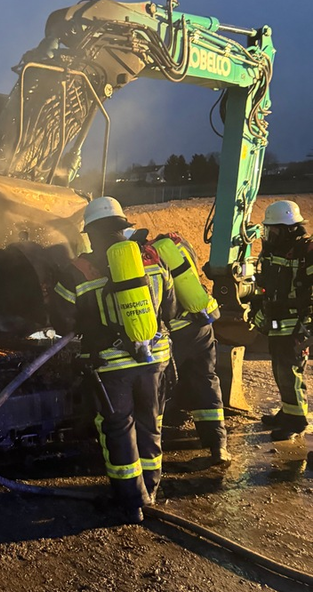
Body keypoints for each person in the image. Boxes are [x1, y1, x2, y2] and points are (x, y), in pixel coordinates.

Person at [51, 196, 176, 524]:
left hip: (112, 365)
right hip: (155, 357)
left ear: (91, 233)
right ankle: (152, 489)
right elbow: (172, 310)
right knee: (151, 423)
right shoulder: (152, 258)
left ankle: (130, 502)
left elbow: (62, 321)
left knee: (118, 429)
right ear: (123, 226)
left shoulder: (78, 270)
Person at [150, 232, 232, 464]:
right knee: (206, 381)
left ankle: (151, 449)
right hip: (202, 326)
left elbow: (160, 304)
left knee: (156, 387)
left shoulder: (152, 258)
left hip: (177, 333)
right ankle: (218, 446)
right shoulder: (181, 248)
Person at [252, 200, 312, 441]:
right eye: (268, 230)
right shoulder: (272, 253)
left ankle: (297, 421)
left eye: (273, 230)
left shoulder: (306, 252)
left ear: (288, 228)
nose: (269, 235)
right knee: (279, 369)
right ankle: (288, 412)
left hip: (296, 324)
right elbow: (264, 285)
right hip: (277, 322)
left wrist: (307, 324)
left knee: (291, 372)